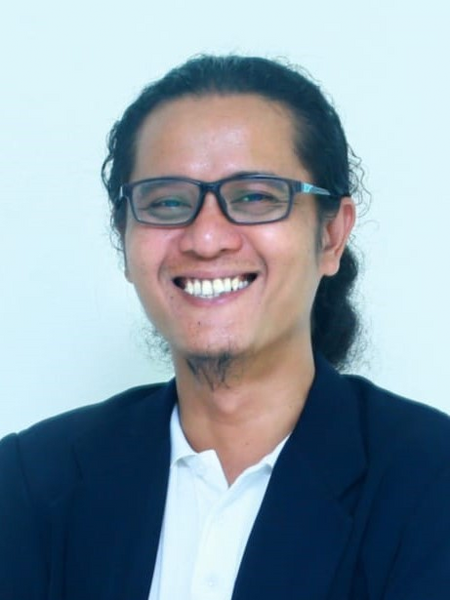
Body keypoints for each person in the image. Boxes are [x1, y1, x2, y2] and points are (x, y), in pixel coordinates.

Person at [1, 55, 449, 600]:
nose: (206, 239)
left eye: (255, 197)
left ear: (331, 236)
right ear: (124, 241)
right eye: (168, 202)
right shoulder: (30, 480)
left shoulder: (431, 481)